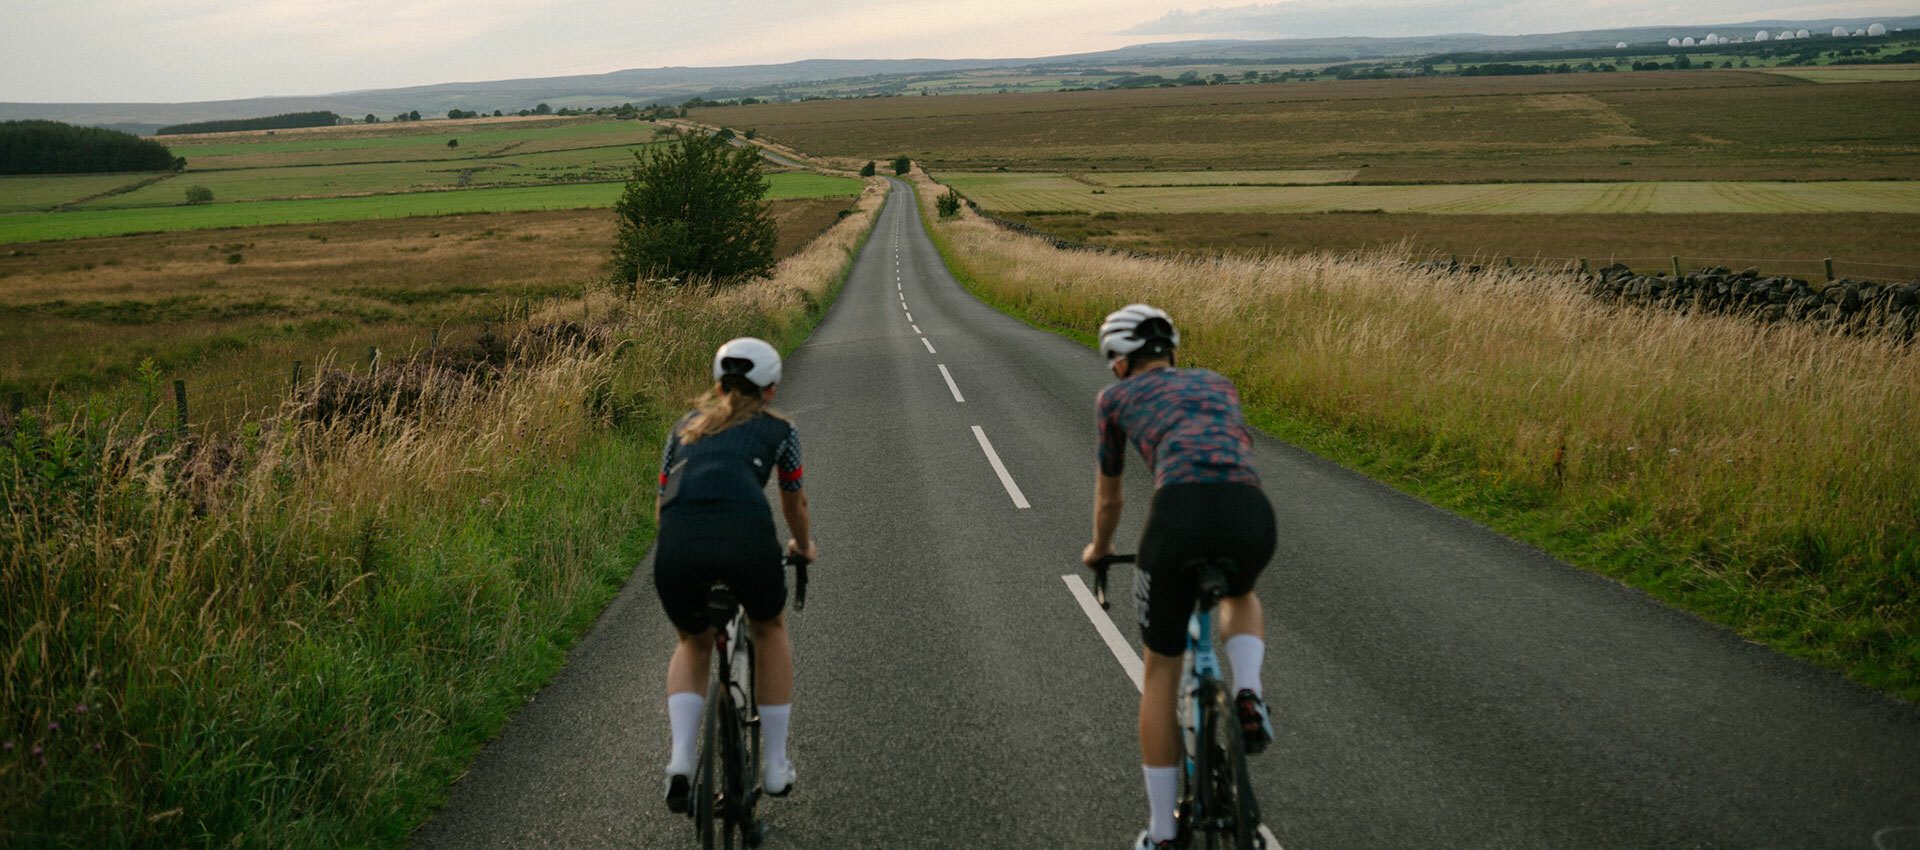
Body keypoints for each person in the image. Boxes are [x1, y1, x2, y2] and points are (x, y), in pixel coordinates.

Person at [1079, 305, 1277, 850]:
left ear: (1119, 361)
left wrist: (1100, 548)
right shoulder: (1218, 383)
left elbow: (1110, 494)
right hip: (1250, 511)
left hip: (1179, 517)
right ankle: (1247, 691)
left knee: (1160, 670)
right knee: (1241, 592)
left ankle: (1163, 833)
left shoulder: (1113, 400)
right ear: (1171, 350)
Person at [656, 337, 818, 812]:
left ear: (718, 381)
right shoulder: (780, 431)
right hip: (746, 540)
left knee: (692, 641)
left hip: (679, 545)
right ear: (770, 389)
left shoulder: (683, 429)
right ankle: (774, 765)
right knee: (769, 629)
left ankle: (681, 761)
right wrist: (803, 547)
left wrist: (679, 551)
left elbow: (663, 502)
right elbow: (794, 501)